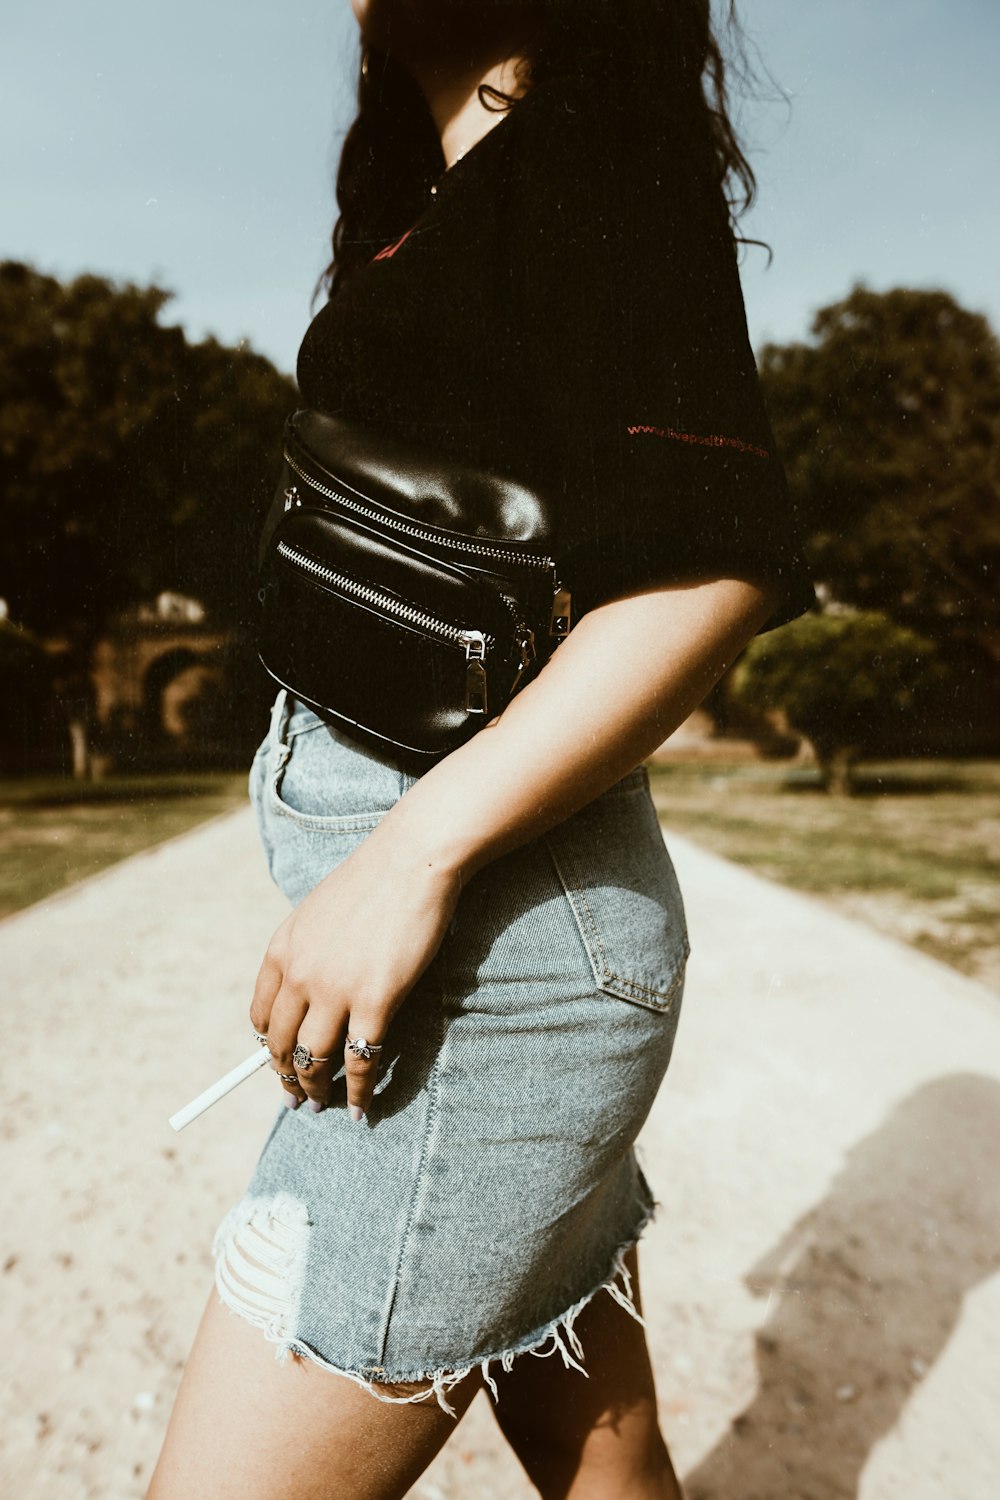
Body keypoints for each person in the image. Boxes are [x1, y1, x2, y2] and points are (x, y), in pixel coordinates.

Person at [148, 3, 814, 1497]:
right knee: (607, 1467)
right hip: (496, 936)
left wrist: (403, 859)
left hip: (489, 974)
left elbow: (711, 567)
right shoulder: (459, 187)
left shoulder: (600, 156)